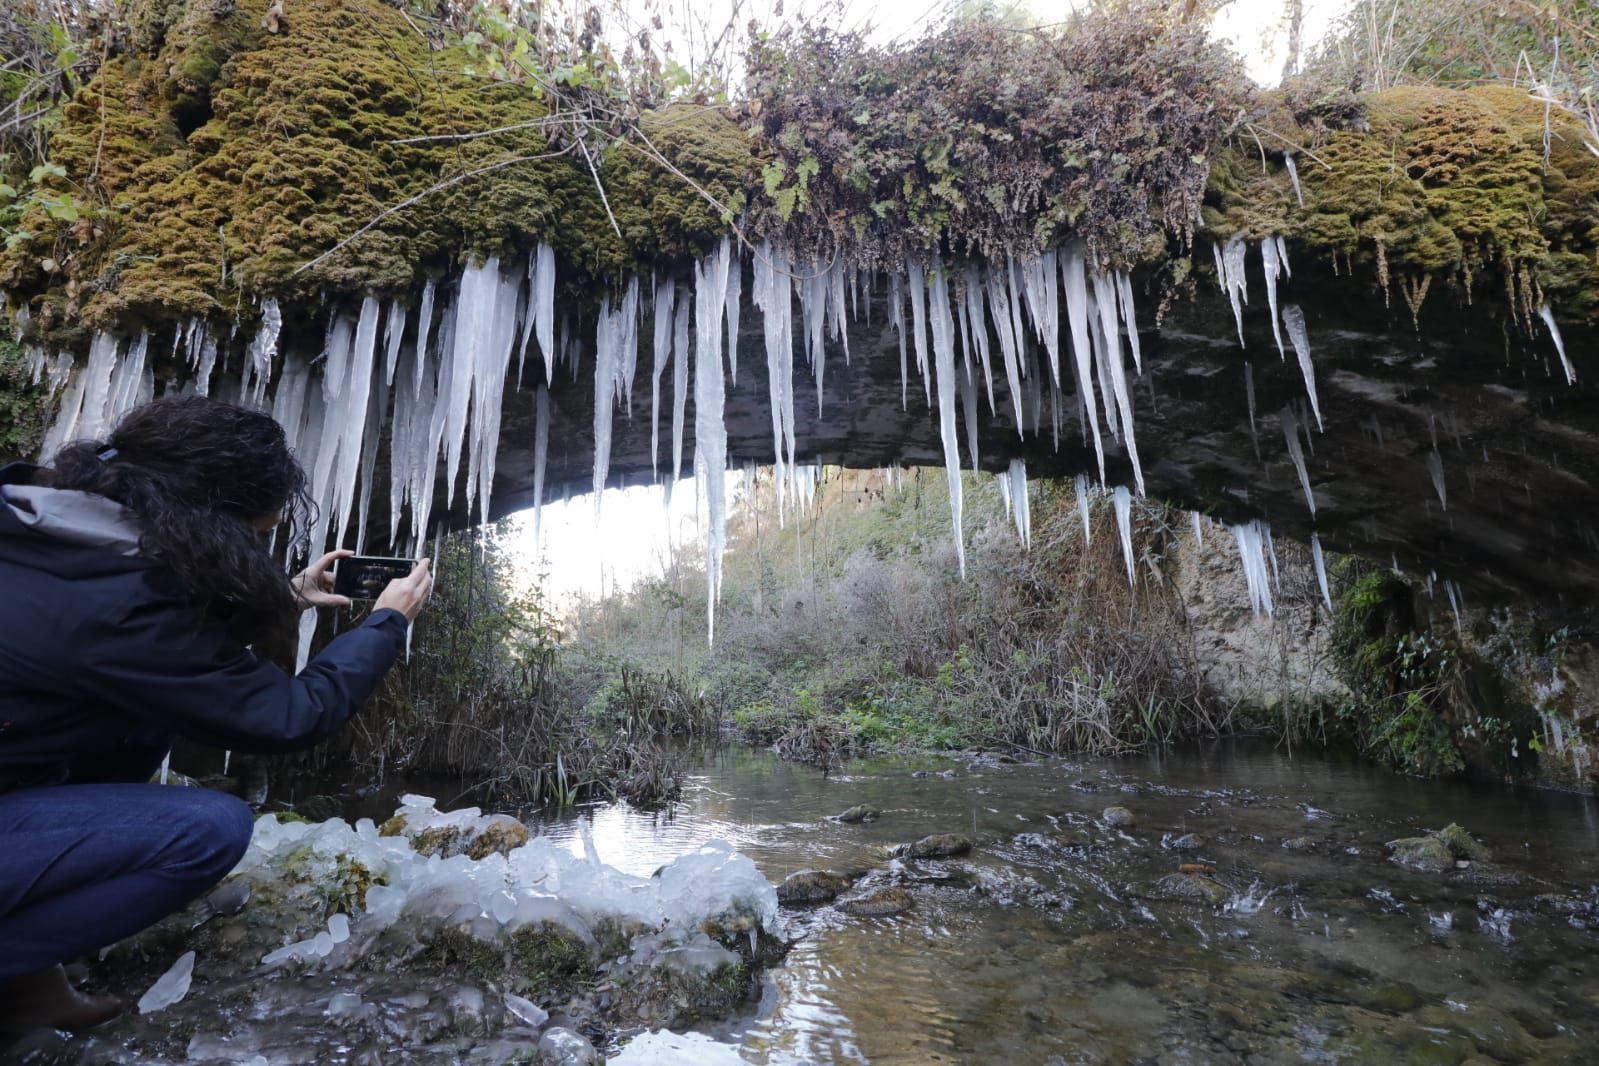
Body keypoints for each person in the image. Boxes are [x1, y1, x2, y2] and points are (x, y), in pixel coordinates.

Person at [0, 395, 432, 1031]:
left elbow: (128, 644)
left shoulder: (41, 525)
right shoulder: (123, 610)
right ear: (208, 516)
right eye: (256, 531)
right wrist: (387, 623)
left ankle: (30, 974)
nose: (261, 538)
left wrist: (286, 595)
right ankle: (16, 966)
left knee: (145, 717)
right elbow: (292, 715)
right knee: (210, 828)